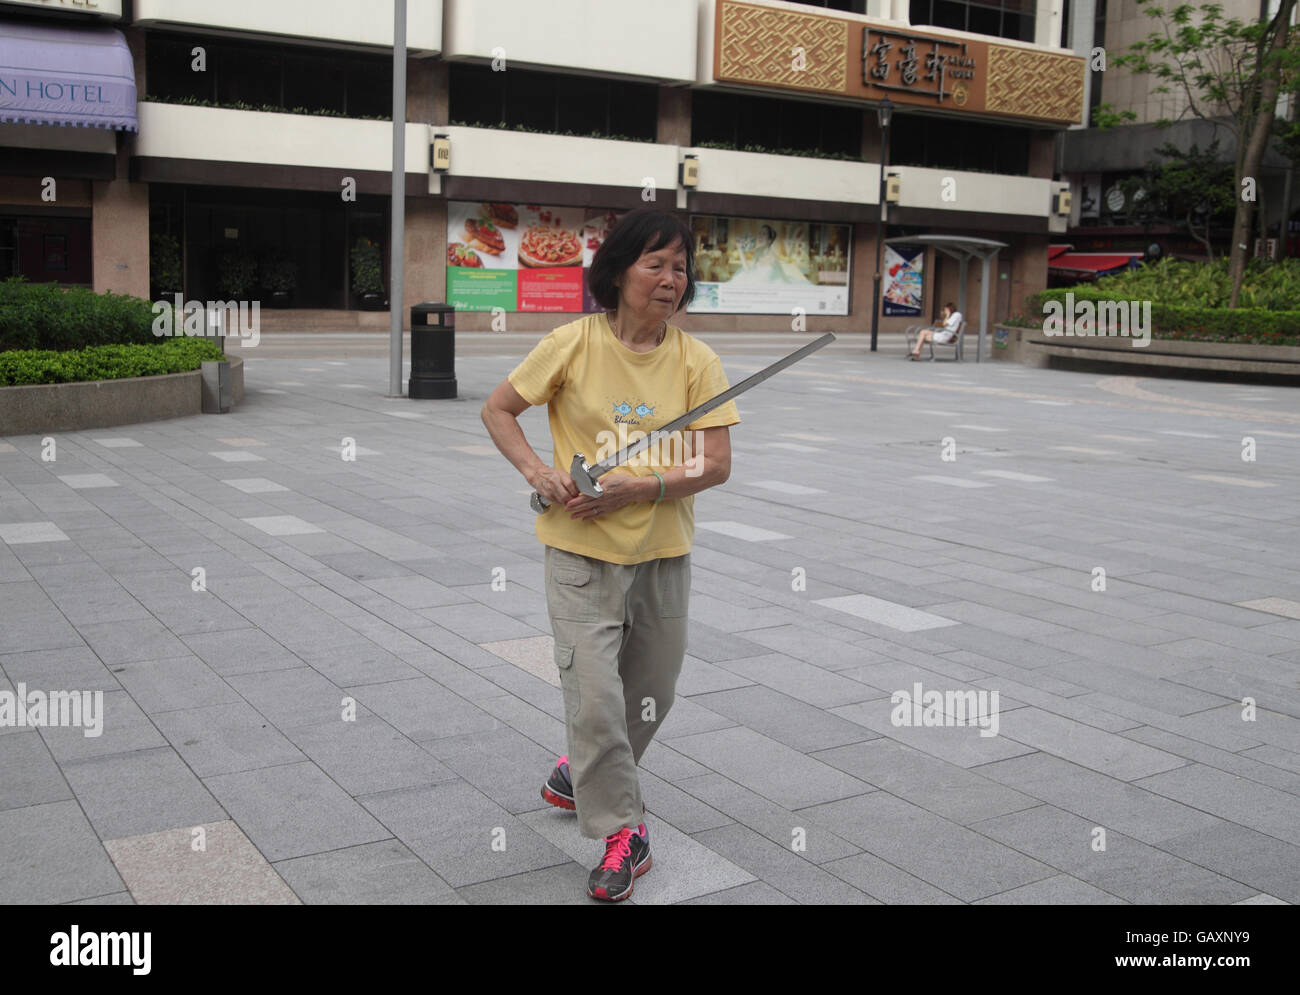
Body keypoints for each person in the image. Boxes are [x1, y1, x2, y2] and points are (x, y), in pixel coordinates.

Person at [480, 207, 740, 901]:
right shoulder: (573, 342)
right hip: (580, 553)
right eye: (654, 263)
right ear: (618, 270)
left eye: (680, 267)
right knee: (594, 694)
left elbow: (715, 464)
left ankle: (579, 770)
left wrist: (643, 485)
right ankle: (625, 829)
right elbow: (498, 409)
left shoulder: (696, 360)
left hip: (661, 553)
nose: (669, 278)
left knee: (651, 695)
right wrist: (540, 473)